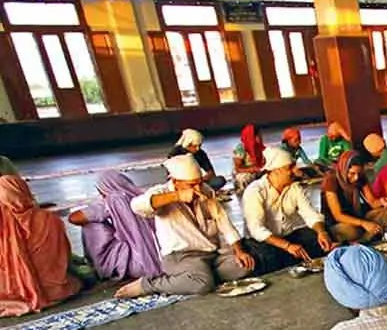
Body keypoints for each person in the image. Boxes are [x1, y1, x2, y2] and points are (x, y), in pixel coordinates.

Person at [117, 154, 255, 298]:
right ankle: (149, 285)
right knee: (202, 284)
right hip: (181, 257)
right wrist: (177, 196)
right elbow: (137, 205)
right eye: (191, 184)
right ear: (175, 181)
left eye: (199, 182)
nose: (198, 188)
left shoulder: (206, 190)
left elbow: (223, 222)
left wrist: (239, 251)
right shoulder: (162, 192)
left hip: (211, 255)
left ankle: (195, 278)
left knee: (244, 266)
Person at [241, 146, 336, 273]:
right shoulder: (255, 191)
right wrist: (287, 246)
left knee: (321, 234)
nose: (295, 171)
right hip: (262, 241)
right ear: (276, 171)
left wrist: (321, 232)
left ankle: (292, 258)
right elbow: (257, 230)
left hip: (287, 236)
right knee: (268, 257)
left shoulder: (294, 187)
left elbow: (310, 215)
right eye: (290, 167)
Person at [0, 169, 81, 316]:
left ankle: (20, 293)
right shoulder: (50, 220)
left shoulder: (3, 226)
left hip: (10, 294)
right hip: (57, 290)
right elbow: (64, 257)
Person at [68, 171, 162, 281]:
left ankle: (102, 267)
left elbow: (74, 218)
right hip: (161, 259)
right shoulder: (143, 197)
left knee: (91, 225)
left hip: (137, 265)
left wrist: (102, 207)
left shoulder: (113, 200)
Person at [321, 151, 387, 243]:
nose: (356, 178)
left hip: (357, 216)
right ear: (344, 169)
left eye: (358, 173)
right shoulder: (331, 180)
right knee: (352, 231)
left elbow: (373, 202)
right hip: (338, 223)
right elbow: (338, 215)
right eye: (352, 173)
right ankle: (365, 239)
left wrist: (382, 201)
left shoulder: (360, 177)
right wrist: (363, 223)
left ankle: (366, 237)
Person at [231, 124, 266, 193]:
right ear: (252, 136)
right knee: (245, 178)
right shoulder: (240, 148)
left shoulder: (259, 147)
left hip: (256, 171)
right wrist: (251, 169)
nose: (261, 137)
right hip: (244, 173)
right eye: (259, 135)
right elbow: (237, 169)